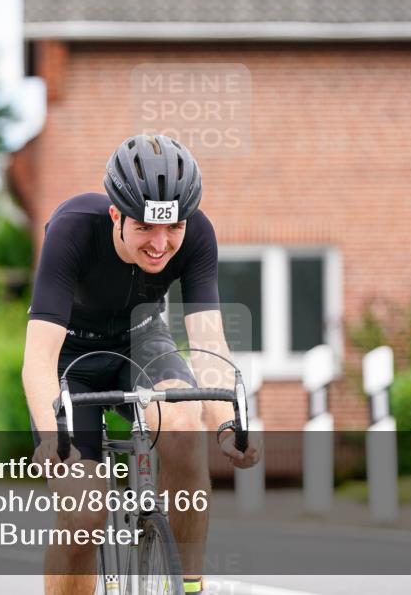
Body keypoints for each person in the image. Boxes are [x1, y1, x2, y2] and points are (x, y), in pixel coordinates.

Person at [22, 134, 261, 595]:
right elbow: (38, 358)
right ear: (116, 214)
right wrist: (54, 440)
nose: (161, 243)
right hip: (72, 356)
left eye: (173, 228)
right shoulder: (73, 228)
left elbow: (208, 340)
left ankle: (189, 585)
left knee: (183, 425)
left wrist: (229, 426)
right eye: (146, 228)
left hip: (142, 339)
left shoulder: (198, 234)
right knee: (83, 514)